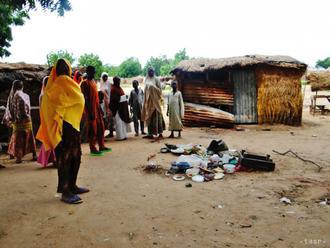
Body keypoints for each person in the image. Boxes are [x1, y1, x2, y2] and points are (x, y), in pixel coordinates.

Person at [37, 59, 88, 204]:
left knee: (75, 156)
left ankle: (72, 185)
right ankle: (65, 191)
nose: (64, 68)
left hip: (72, 127)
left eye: (65, 66)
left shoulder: (58, 85)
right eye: (62, 66)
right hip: (64, 128)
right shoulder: (58, 84)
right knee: (66, 158)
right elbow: (50, 108)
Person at [2, 80, 37, 163]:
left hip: (17, 121)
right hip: (25, 119)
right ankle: (33, 155)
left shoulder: (12, 95)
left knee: (16, 138)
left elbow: (10, 108)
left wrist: (12, 119)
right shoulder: (23, 95)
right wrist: (24, 116)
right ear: (22, 86)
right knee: (29, 137)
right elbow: (24, 108)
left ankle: (16, 156)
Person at [80, 66, 111, 155]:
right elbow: (85, 99)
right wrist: (90, 112)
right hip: (90, 110)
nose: (94, 73)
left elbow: (96, 97)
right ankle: (92, 148)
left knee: (101, 127)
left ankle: (101, 145)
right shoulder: (84, 83)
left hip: (97, 108)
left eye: (94, 71)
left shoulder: (93, 82)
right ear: (88, 72)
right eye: (92, 71)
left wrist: (100, 109)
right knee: (92, 129)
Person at [141, 68, 165, 139]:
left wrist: (152, 87)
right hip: (148, 102)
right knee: (149, 118)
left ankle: (160, 133)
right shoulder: (146, 79)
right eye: (149, 71)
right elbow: (145, 91)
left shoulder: (156, 79)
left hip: (155, 102)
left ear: (154, 72)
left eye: (152, 71)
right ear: (147, 72)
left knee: (157, 117)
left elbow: (160, 91)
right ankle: (150, 134)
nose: (150, 72)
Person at [37, 76, 56, 167]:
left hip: (50, 119)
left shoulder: (44, 95)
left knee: (50, 139)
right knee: (50, 139)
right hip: (48, 120)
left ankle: (53, 159)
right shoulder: (44, 95)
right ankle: (54, 159)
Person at [99, 72, 114, 137]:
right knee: (104, 118)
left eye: (106, 76)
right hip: (103, 104)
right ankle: (103, 134)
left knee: (110, 118)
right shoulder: (101, 84)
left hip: (109, 102)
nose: (105, 78)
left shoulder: (110, 84)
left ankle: (111, 132)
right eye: (104, 77)